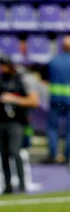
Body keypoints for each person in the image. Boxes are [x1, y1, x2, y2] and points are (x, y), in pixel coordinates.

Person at [0, 57, 39, 194]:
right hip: (0, 121)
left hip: (16, 121)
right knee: (3, 154)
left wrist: (13, 99)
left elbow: (34, 101)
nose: (2, 69)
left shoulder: (23, 80)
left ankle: (22, 185)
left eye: (4, 66)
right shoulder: (0, 80)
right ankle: (7, 187)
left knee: (14, 151)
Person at [44, 35, 70, 164]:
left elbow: (46, 79)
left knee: (53, 128)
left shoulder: (54, 61)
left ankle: (53, 154)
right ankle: (67, 155)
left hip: (56, 99)